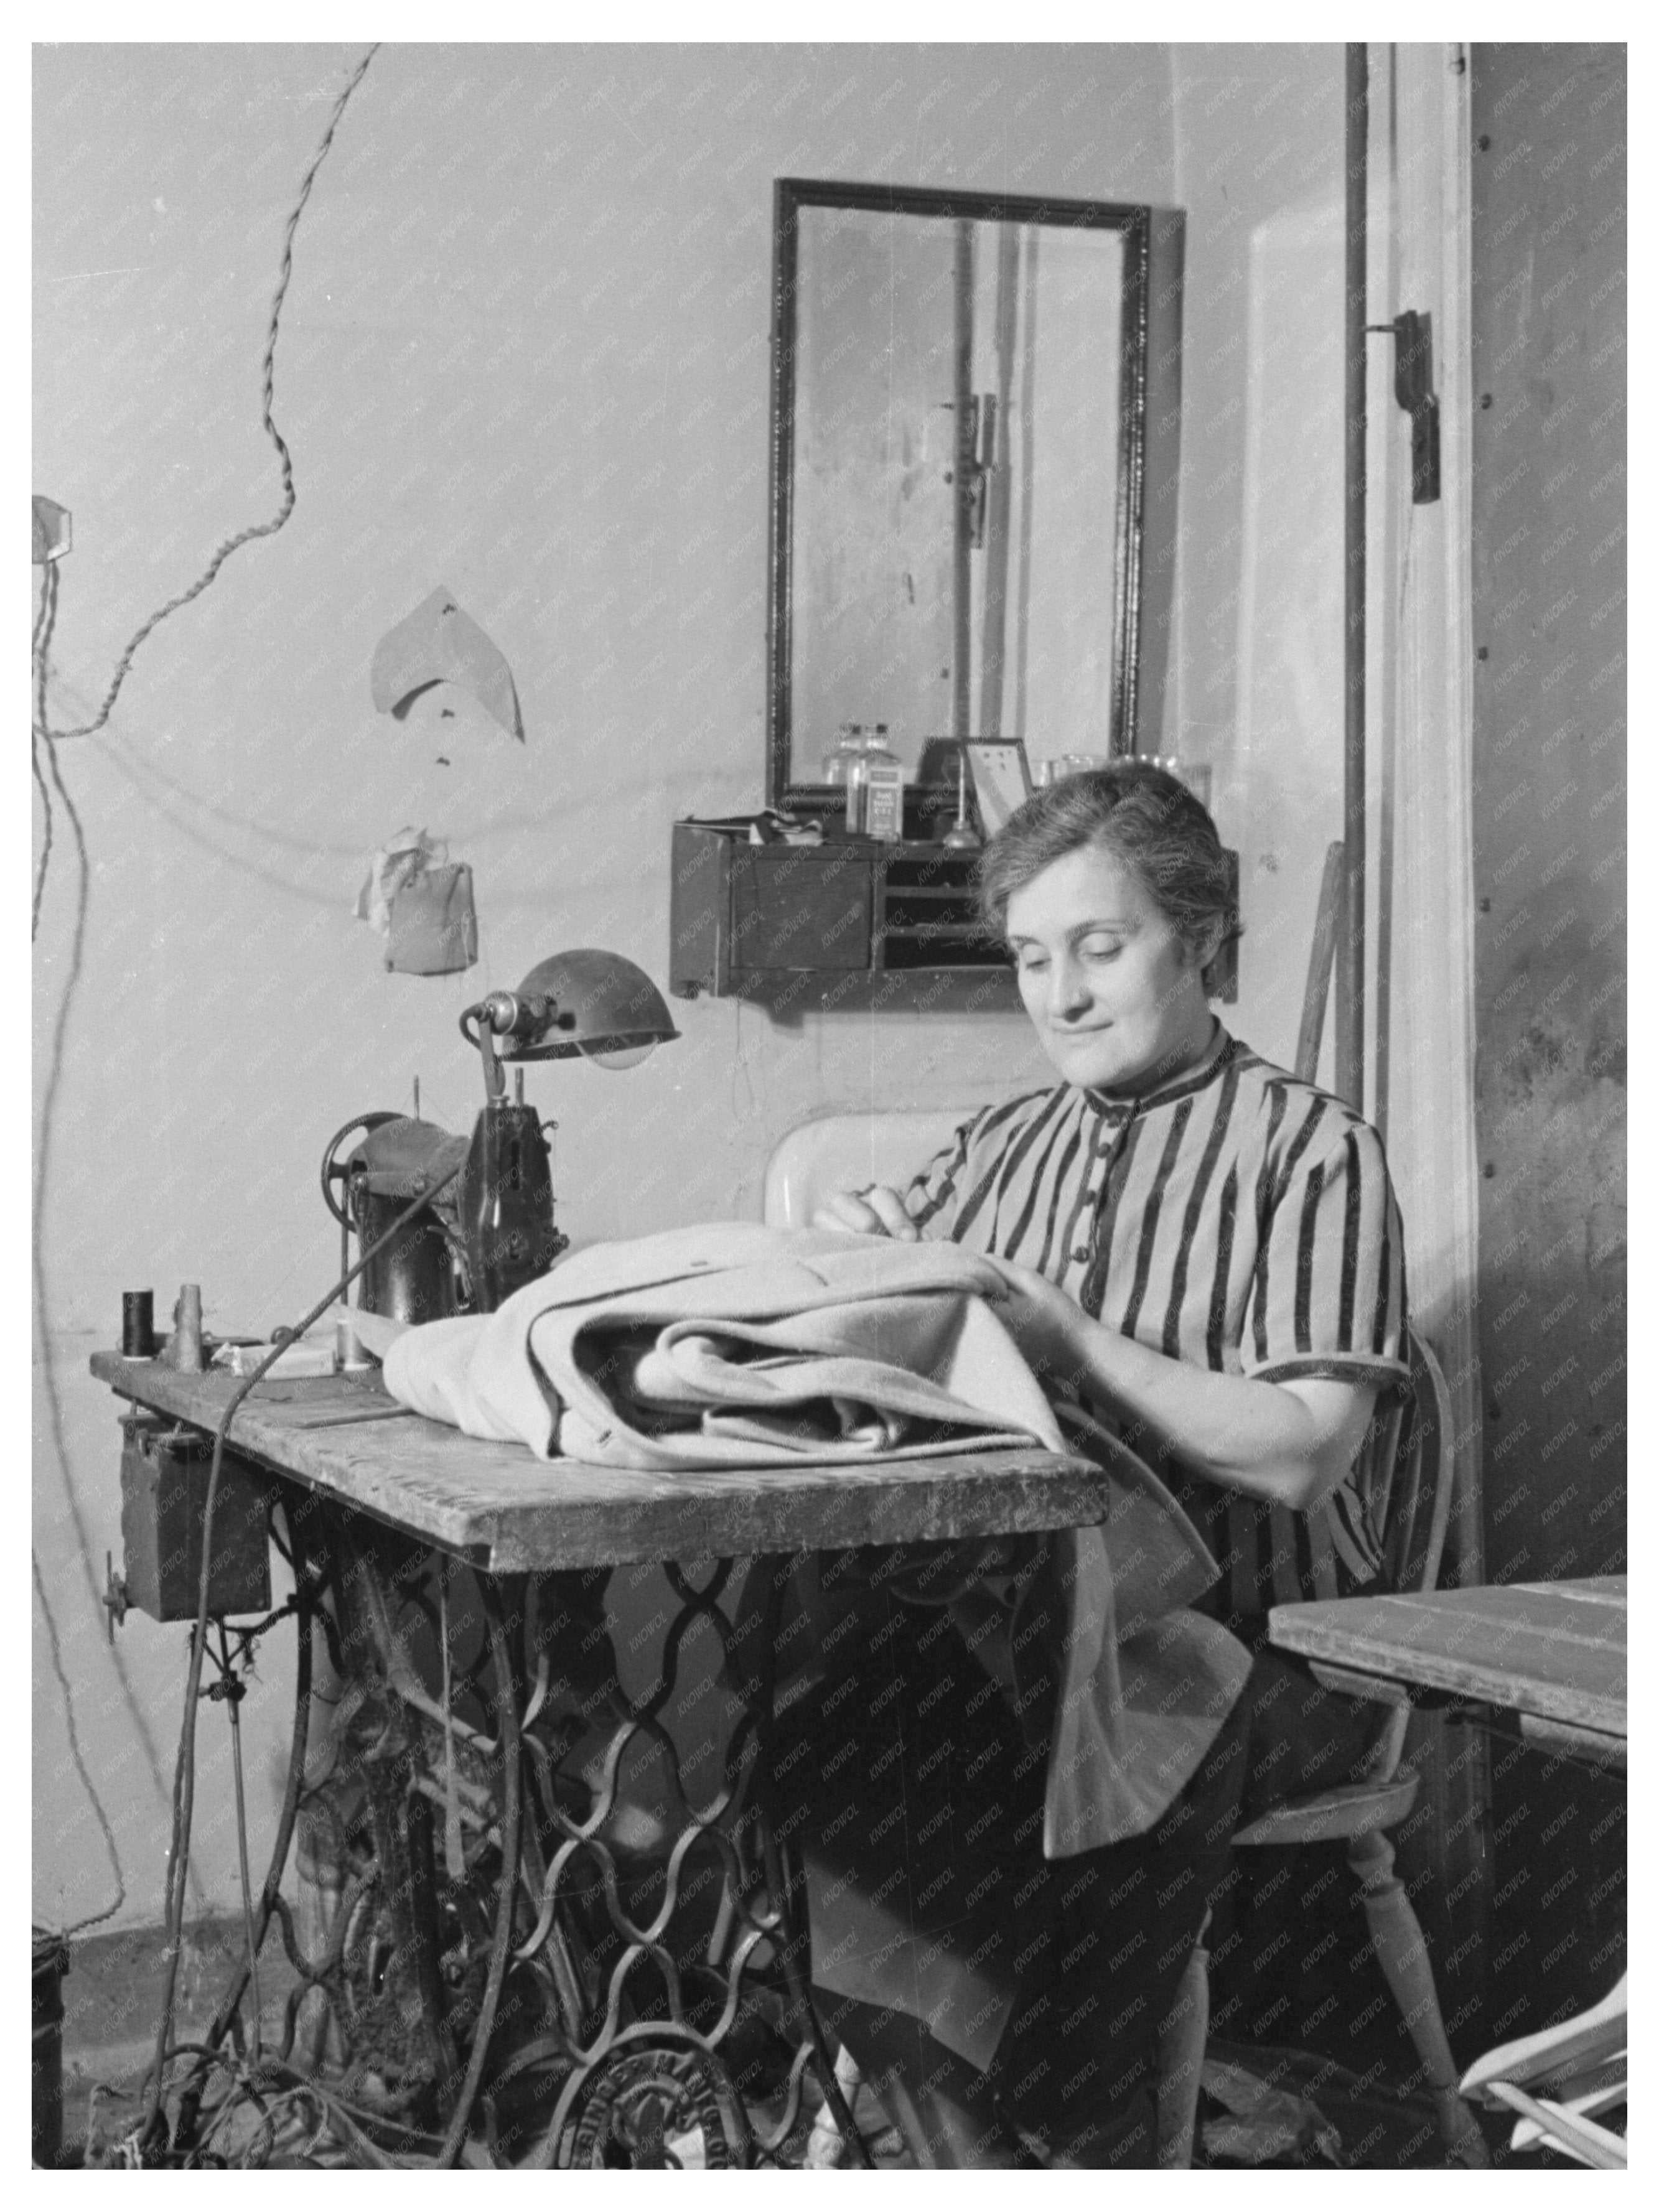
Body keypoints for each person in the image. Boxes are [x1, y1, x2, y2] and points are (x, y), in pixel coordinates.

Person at [776, 763, 1413, 2167]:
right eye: (1029, 957)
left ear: (1198, 938)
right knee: (841, 1716)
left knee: (1022, 1742)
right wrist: (864, 1256)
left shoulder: (1312, 1151)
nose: (1059, 995)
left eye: (1099, 947)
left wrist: (1070, 1339)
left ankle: (1063, 2141)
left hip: (1272, 1646)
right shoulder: (997, 1146)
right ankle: (978, 2146)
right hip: (1036, 1629)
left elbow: (1305, 1454)